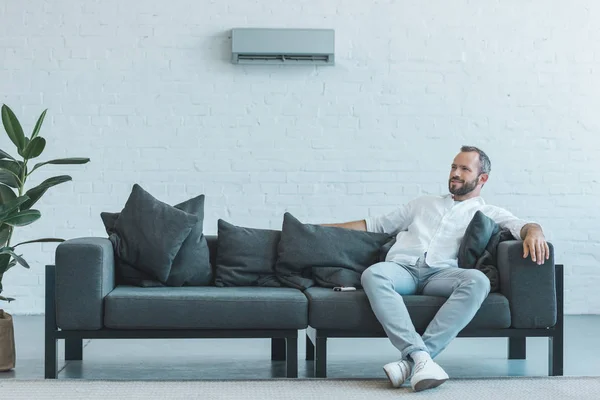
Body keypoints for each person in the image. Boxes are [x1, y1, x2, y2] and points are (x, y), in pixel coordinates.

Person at [322, 146, 549, 392]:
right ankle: (421, 359)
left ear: (482, 178)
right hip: (403, 269)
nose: (456, 173)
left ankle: (412, 361)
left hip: (442, 274)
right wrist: (322, 229)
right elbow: (376, 224)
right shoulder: (423, 203)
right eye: (454, 167)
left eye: (464, 169)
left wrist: (535, 231)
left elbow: (521, 225)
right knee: (374, 273)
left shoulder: (487, 212)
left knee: (478, 281)